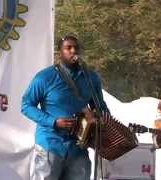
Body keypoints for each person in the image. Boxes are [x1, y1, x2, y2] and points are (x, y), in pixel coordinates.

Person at [21, 35, 109, 180]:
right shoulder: (44, 77)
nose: (73, 51)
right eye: (68, 48)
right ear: (60, 52)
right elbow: (26, 105)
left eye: (76, 48)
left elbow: (101, 107)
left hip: (79, 148)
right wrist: (53, 121)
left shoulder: (91, 78)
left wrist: (98, 120)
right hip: (50, 144)